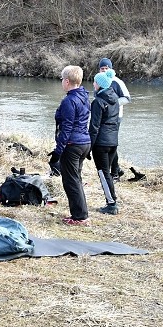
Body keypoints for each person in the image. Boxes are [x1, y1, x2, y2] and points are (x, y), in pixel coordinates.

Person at [48, 65, 92, 227]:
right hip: (84, 143)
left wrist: (57, 152)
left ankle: (80, 217)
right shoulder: (84, 97)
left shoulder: (69, 101)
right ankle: (80, 214)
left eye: (61, 79)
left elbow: (66, 128)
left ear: (67, 81)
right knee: (76, 179)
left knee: (70, 181)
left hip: (73, 145)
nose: (61, 82)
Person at [89, 71, 120, 215]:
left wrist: (89, 146)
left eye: (95, 82)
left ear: (100, 85)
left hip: (101, 143)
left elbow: (94, 127)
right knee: (107, 173)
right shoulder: (115, 98)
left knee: (103, 173)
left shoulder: (98, 102)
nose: (93, 84)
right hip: (113, 141)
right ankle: (112, 200)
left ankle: (111, 204)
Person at [99, 57, 131, 180]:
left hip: (116, 117)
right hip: (103, 117)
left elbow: (127, 98)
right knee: (106, 143)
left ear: (111, 69)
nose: (104, 70)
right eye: (102, 68)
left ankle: (115, 172)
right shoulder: (99, 81)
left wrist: (112, 104)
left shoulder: (117, 82)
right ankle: (116, 169)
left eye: (106, 68)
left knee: (111, 144)